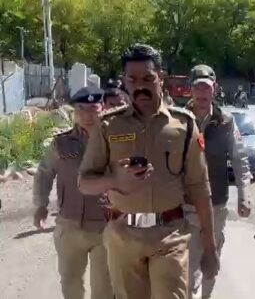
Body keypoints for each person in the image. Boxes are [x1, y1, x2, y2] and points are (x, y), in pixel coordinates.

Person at [78, 44, 219, 299]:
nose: (140, 86)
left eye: (147, 78)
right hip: (123, 236)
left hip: (170, 234)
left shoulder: (183, 124)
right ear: (124, 81)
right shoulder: (108, 125)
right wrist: (113, 179)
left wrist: (210, 246)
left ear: (160, 78)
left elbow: (200, 187)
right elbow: (84, 183)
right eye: (132, 79)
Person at [33, 86, 113, 299]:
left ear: (102, 108)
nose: (87, 115)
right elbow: (44, 173)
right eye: (81, 108)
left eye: (93, 108)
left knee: (104, 289)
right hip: (69, 226)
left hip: (104, 227)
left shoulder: (114, 141)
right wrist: (40, 204)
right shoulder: (61, 143)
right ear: (74, 112)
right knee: (70, 284)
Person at [185, 64, 252, 299]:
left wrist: (244, 196)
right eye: (198, 88)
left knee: (211, 259)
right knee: (186, 266)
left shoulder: (226, 121)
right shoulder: (179, 119)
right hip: (186, 206)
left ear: (215, 90)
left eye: (207, 87)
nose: (203, 93)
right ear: (190, 91)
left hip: (217, 205)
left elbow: (239, 158)